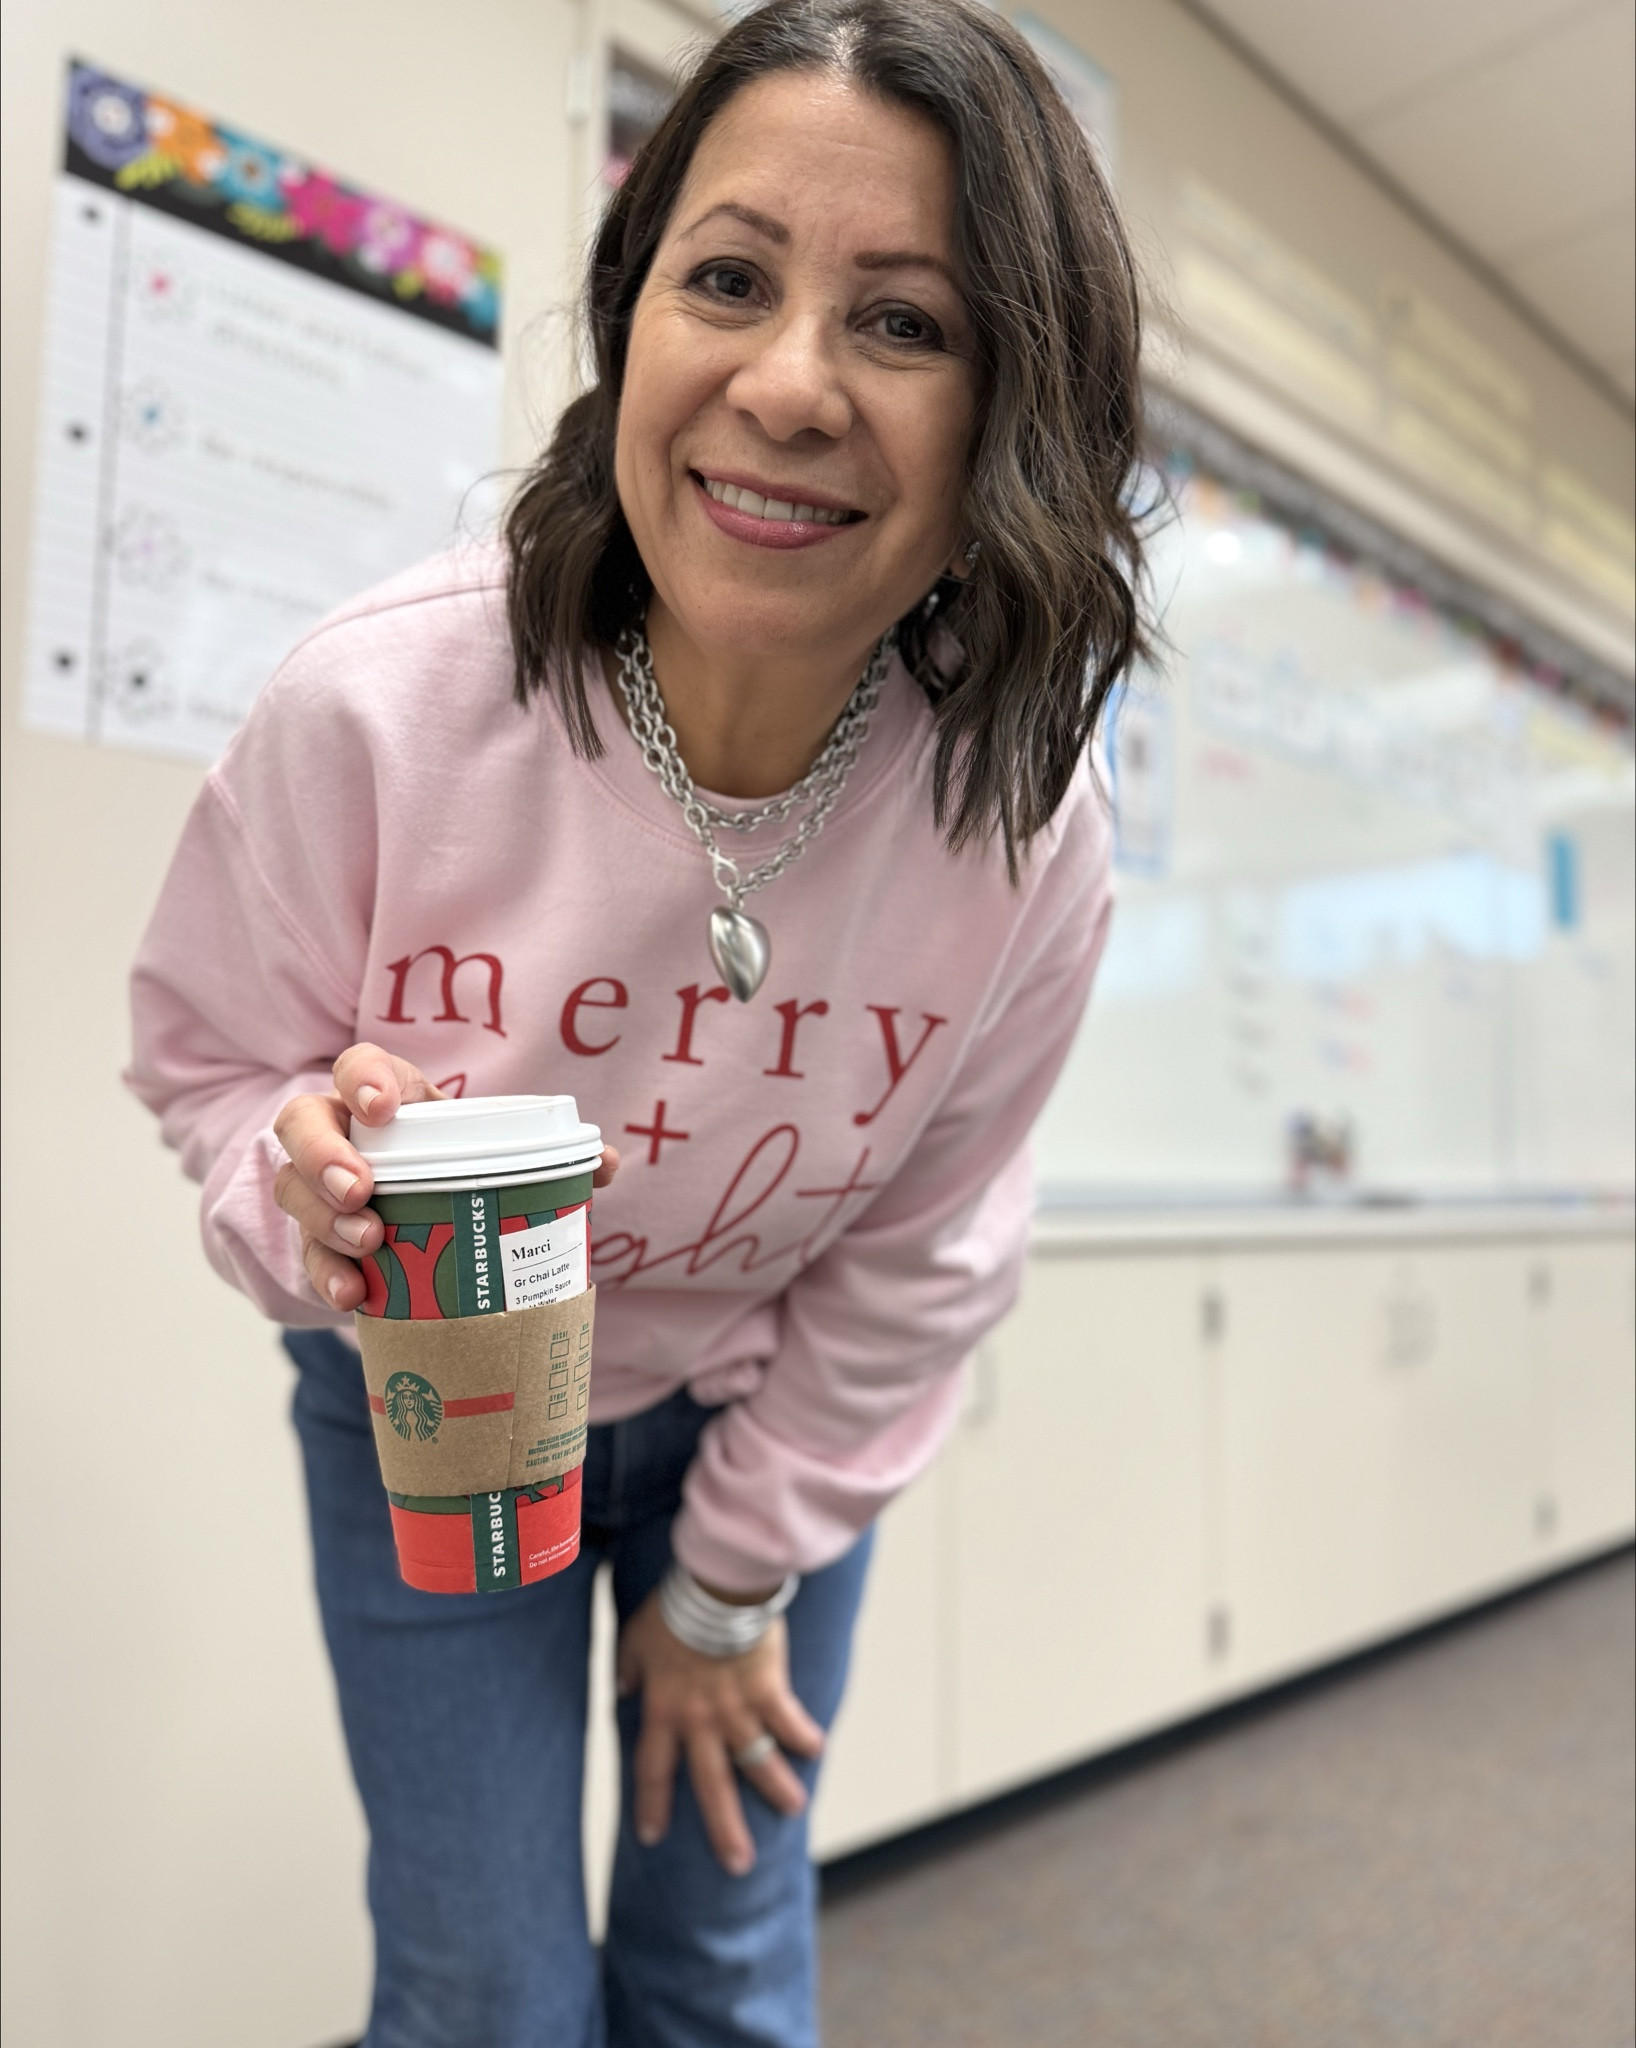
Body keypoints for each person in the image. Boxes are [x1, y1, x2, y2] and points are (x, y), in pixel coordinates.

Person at [127, 0, 1147, 2040]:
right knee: (486, 1989)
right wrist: (297, 1192)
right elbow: (214, 1065)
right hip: (432, 1396)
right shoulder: (381, 706)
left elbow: (922, 1253)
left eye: (902, 323)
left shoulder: (1012, 821)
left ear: (1010, 403)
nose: (783, 385)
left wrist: (730, 1580)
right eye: (729, 280)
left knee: (718, 1968)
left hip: (767, 1419)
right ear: (631, 318)